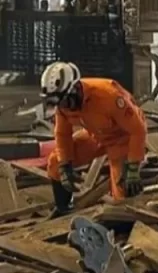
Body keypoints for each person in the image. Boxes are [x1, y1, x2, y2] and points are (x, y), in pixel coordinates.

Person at [41, 62, 147, 214]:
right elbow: (63, 135)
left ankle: (127, 217)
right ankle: (63, 208)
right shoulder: (63, 106)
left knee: (122, 191)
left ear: (74, 90)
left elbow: (137, 130)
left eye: (63, 102)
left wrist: (133, 167)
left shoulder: (109, 95)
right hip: (96, 134)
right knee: (55, 162)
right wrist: (65, 166)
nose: (62, 107)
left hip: (122, 138)